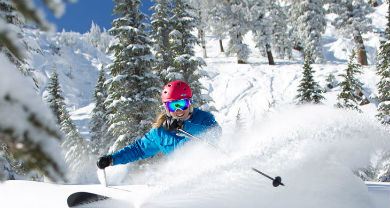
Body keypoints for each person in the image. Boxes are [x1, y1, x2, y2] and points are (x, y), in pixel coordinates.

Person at [97, 80, 221, 169]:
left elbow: (215, 133)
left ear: (190, 103)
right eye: (173, 106)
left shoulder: (203, 118)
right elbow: (138, 149)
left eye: (182, 104)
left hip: (212, 172)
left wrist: (184, 126)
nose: (179, 110)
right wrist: (112, 159)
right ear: (166, 108)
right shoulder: (160, 131)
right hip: (185, 177)